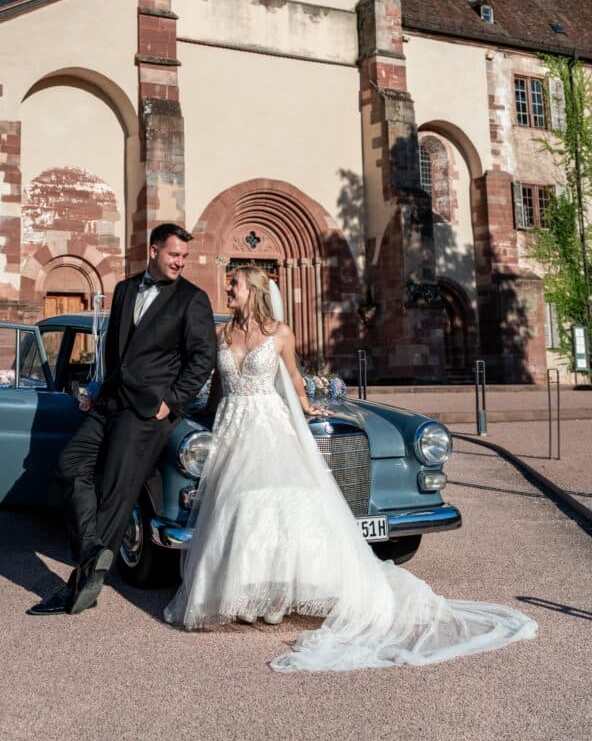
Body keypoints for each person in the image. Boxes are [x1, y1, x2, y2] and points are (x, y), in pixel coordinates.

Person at [164, 266, 538, 672]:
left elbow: (292, 378)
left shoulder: (281, 333)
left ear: (252, 290)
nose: (227, 290)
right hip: (232, 424)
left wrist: (308, 408)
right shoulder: (222, 334)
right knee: (238, 506)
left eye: (233, 284)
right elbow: (219, 384)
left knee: (276, 502)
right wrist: (201, 412)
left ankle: (275, 598)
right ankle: (245, 594)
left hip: (268, 425)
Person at [29, 223, 216, 616]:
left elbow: (203, 358)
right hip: (110, 402)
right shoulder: (127, 289)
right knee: (69, 466)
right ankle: (94, 552)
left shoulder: (192, 300)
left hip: (148, 412)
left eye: (184, 257)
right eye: (173, 255)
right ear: (153, 251)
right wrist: (99, 387)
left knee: (116, 496)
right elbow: (116, 350)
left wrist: (172, 402)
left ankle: (79, 590)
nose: (180, 262)